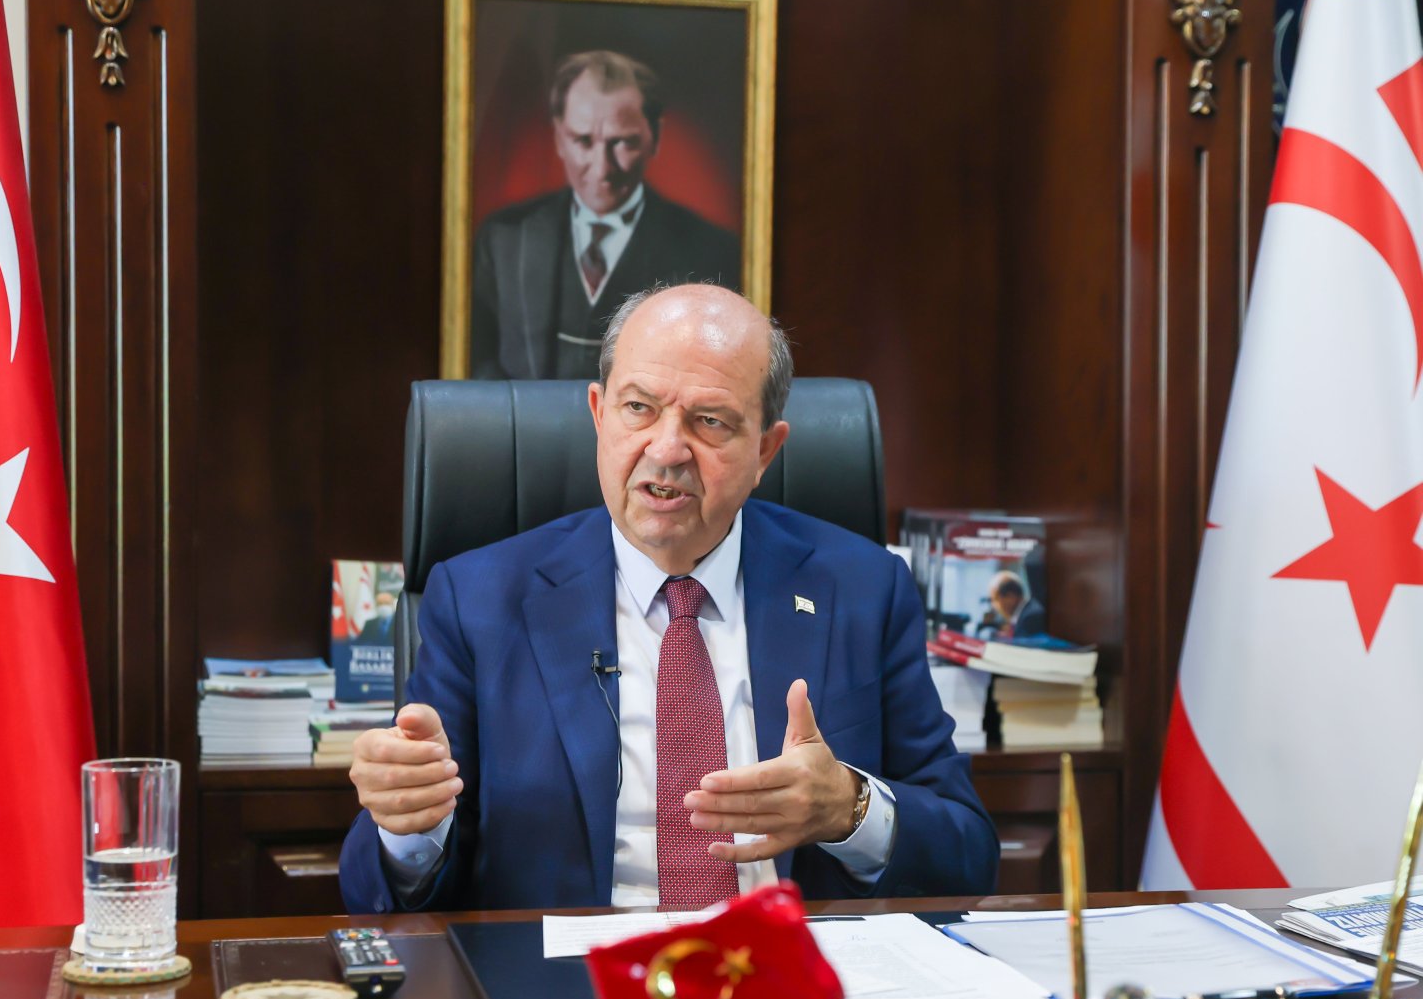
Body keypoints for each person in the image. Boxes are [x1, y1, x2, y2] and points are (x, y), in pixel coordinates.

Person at [340, 284, 998, 913]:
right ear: (600, 414)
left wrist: (849, 806)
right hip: (576, 992)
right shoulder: (479, 599)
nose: (667, 447)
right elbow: (375, 888)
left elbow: (967, 854)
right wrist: (410, 825)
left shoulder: (862, 587)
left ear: (766, 449)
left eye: (709, 421)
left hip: (791, 981)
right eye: (639, 408)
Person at [470, 51, 741, 380]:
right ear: (558, 137)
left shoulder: (711, 251)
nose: (602, 169)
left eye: (622, 143)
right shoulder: (504, 239)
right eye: (583, 141)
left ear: (654, 138)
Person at [987, 571, 1045, 638]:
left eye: (995, 599)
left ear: (1011, 597)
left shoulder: (1031, 617)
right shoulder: (1025, 614)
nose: (993, 606)